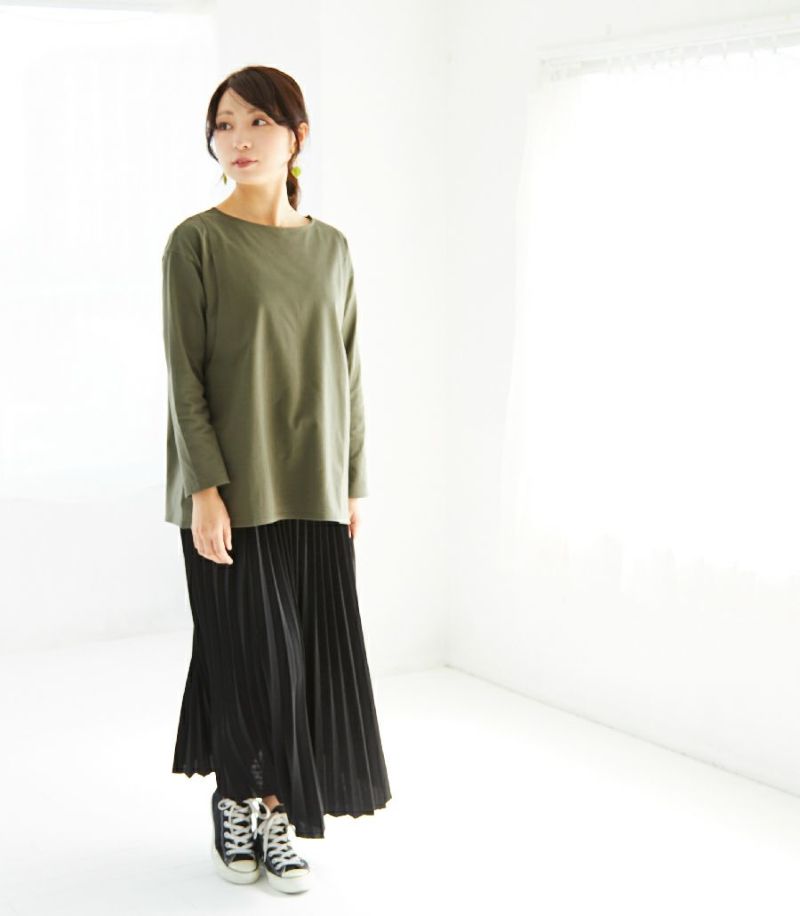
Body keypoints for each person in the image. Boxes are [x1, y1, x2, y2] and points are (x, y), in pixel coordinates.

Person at [161, 65, 392, 894]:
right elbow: (184, 377)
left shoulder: (331, 247)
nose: (239, 139)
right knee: (250, 655)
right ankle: (258, 809)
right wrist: (205, 490)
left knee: (295, 662)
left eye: (259, 122)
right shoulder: (197, 242)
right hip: (230, 489)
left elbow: (349, 370)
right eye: (225, 124)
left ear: (298, 136)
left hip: (315, 486)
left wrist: (353, 482)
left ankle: (256, 804)